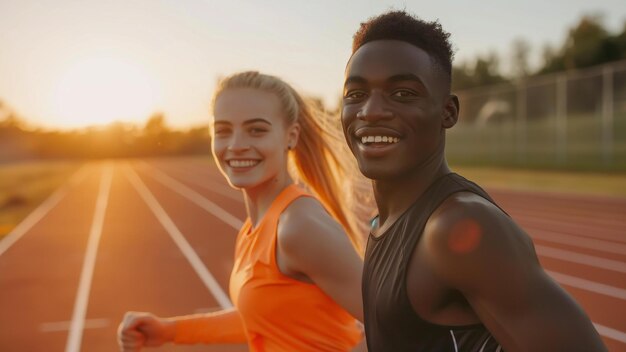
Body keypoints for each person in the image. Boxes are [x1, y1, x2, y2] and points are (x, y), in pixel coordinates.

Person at [341, 10, 607, 352]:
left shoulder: (458, 227)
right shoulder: (387, 219)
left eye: (403, 93)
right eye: (356, 94)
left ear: (448, 112)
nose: (371, 111)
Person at [118, 71, 368, 351]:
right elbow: (262, 317)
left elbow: (400, 326)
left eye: (256, 130)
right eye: (223, 130)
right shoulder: (254, 227)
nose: (236, 145)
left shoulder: (298, 226)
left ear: (291, 136)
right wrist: (169, 330)